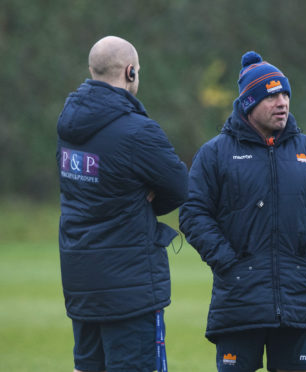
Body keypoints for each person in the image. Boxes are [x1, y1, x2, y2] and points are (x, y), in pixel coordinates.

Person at [180, 51, 306, 372]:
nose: (282, 102)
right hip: (238, 301)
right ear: (248, 104)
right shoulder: (214, 154)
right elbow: (193, 213)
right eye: (271, 96)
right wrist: (227, 262)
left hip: (299, 301)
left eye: (285, 93)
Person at [56, 35, 188, 372]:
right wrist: (143, 204)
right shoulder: (138, 131)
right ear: (130, 72)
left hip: (80, 284)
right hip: (129, 290)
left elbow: (85, 191)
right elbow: (179, 186)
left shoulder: (68, 125)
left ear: (92, 70)